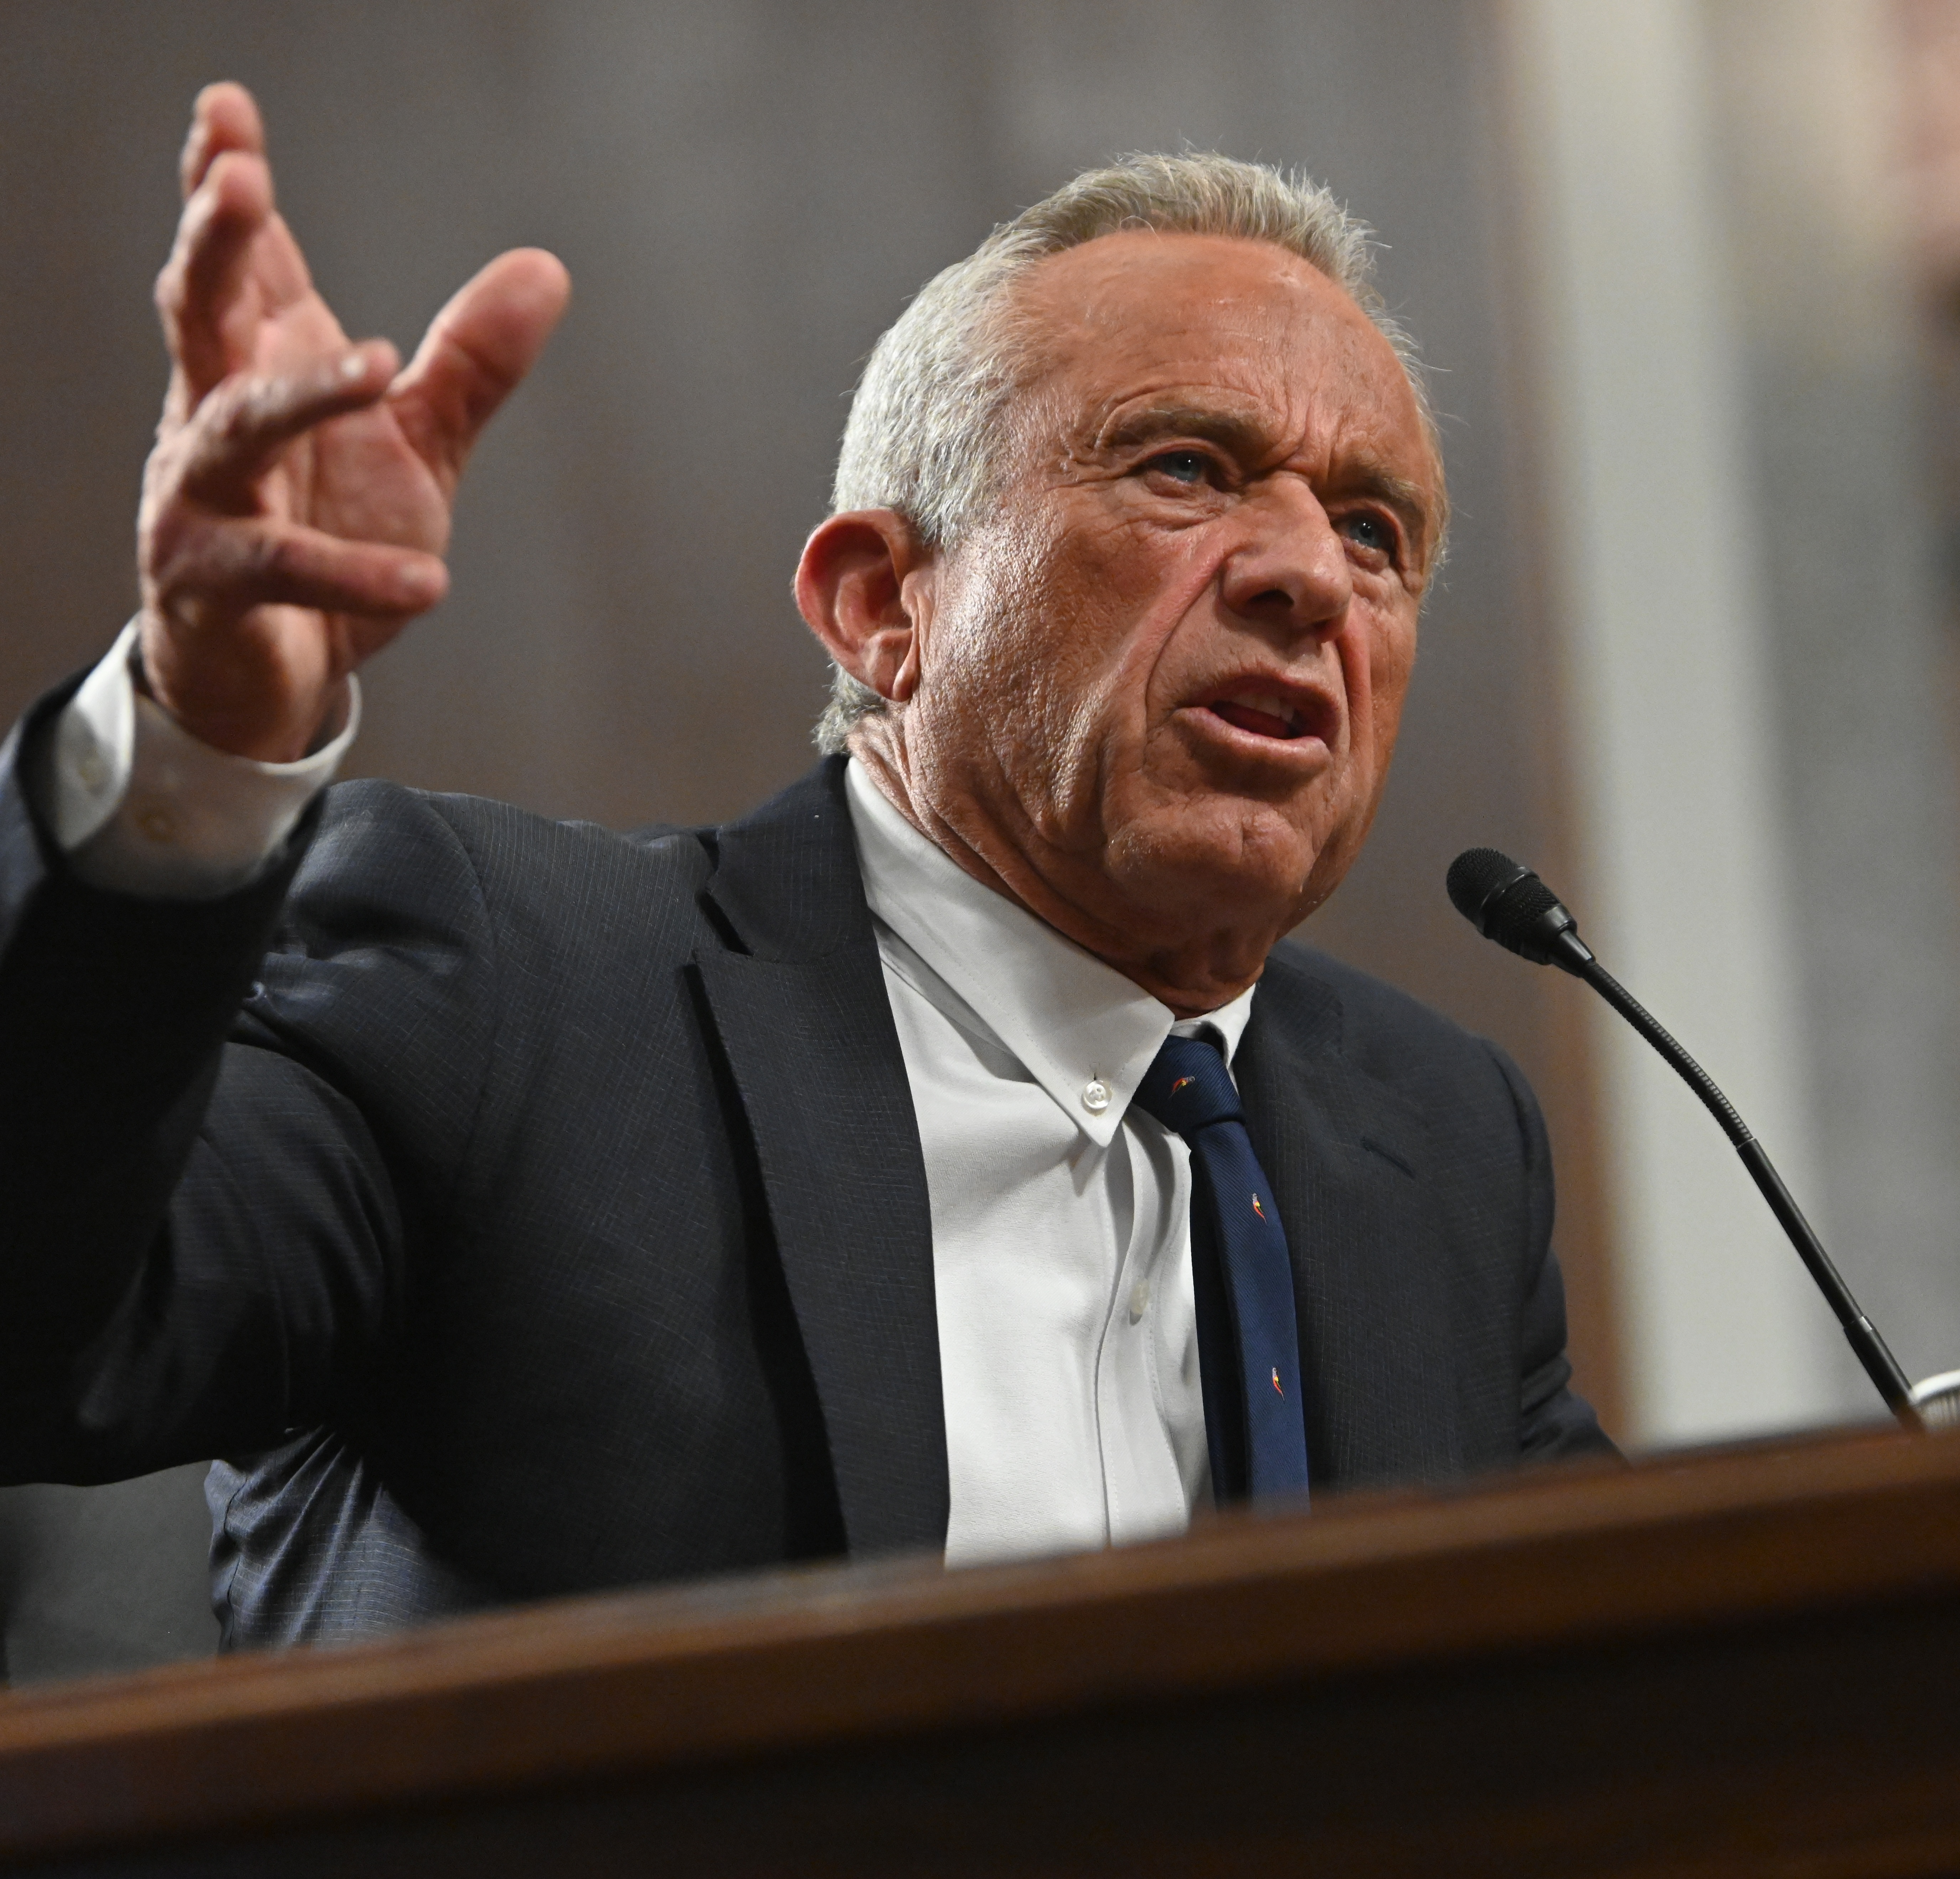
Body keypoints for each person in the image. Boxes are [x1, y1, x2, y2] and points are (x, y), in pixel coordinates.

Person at [0, 84, 1611, 1650]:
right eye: (1185, 468)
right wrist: (194, 748)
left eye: (1375, 532)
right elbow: (41, 1333)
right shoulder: (516, 996)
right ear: (880, 608)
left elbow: (1615, 1713)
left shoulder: (1440, 1141)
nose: (1307, 577)